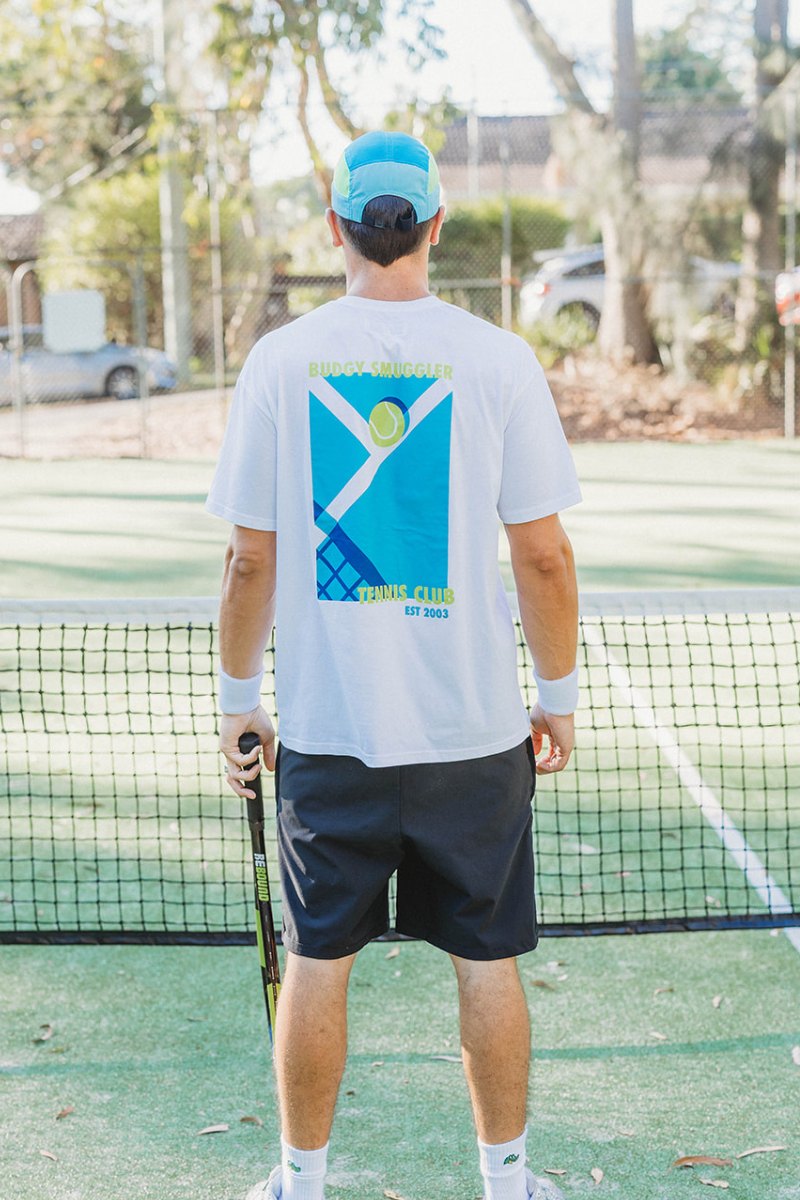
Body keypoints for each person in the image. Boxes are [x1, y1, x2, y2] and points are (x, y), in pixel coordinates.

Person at [206, 130, 581, 1200]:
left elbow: (248, 561)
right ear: (433, 224)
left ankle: (299, 1182)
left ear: (335, 226)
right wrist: (553, 699)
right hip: (475, 739)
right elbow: (543, 557)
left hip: (328, 738)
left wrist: (238, 703)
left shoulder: (281, 360)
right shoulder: (498, 358)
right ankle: (507, 1184)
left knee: (315, 964)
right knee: (486, 962)